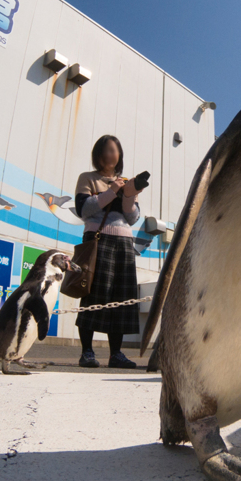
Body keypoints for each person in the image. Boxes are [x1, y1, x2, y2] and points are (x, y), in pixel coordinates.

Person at [74, 135, 143, 368]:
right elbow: (84, 209)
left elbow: (132, 218)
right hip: (98, 239)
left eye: (114, 151)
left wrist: (130, 195)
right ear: (98, 155)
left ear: (119, 155)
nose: (110, 155)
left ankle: (116, 354)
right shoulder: (88, 178)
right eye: (105, 151)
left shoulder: (125, 181)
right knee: (94, 295)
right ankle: (87, 352)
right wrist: (112, 190)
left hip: (124, 243)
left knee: (121, 300)